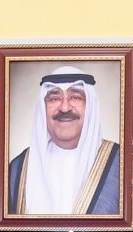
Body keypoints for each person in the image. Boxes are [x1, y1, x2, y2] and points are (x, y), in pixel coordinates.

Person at [7, 66, 121, 216]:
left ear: (90, 106)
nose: (65, 108)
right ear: (43, 108)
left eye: (76, 97)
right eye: (54, 99)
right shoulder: (17, 169)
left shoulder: (120, 163)